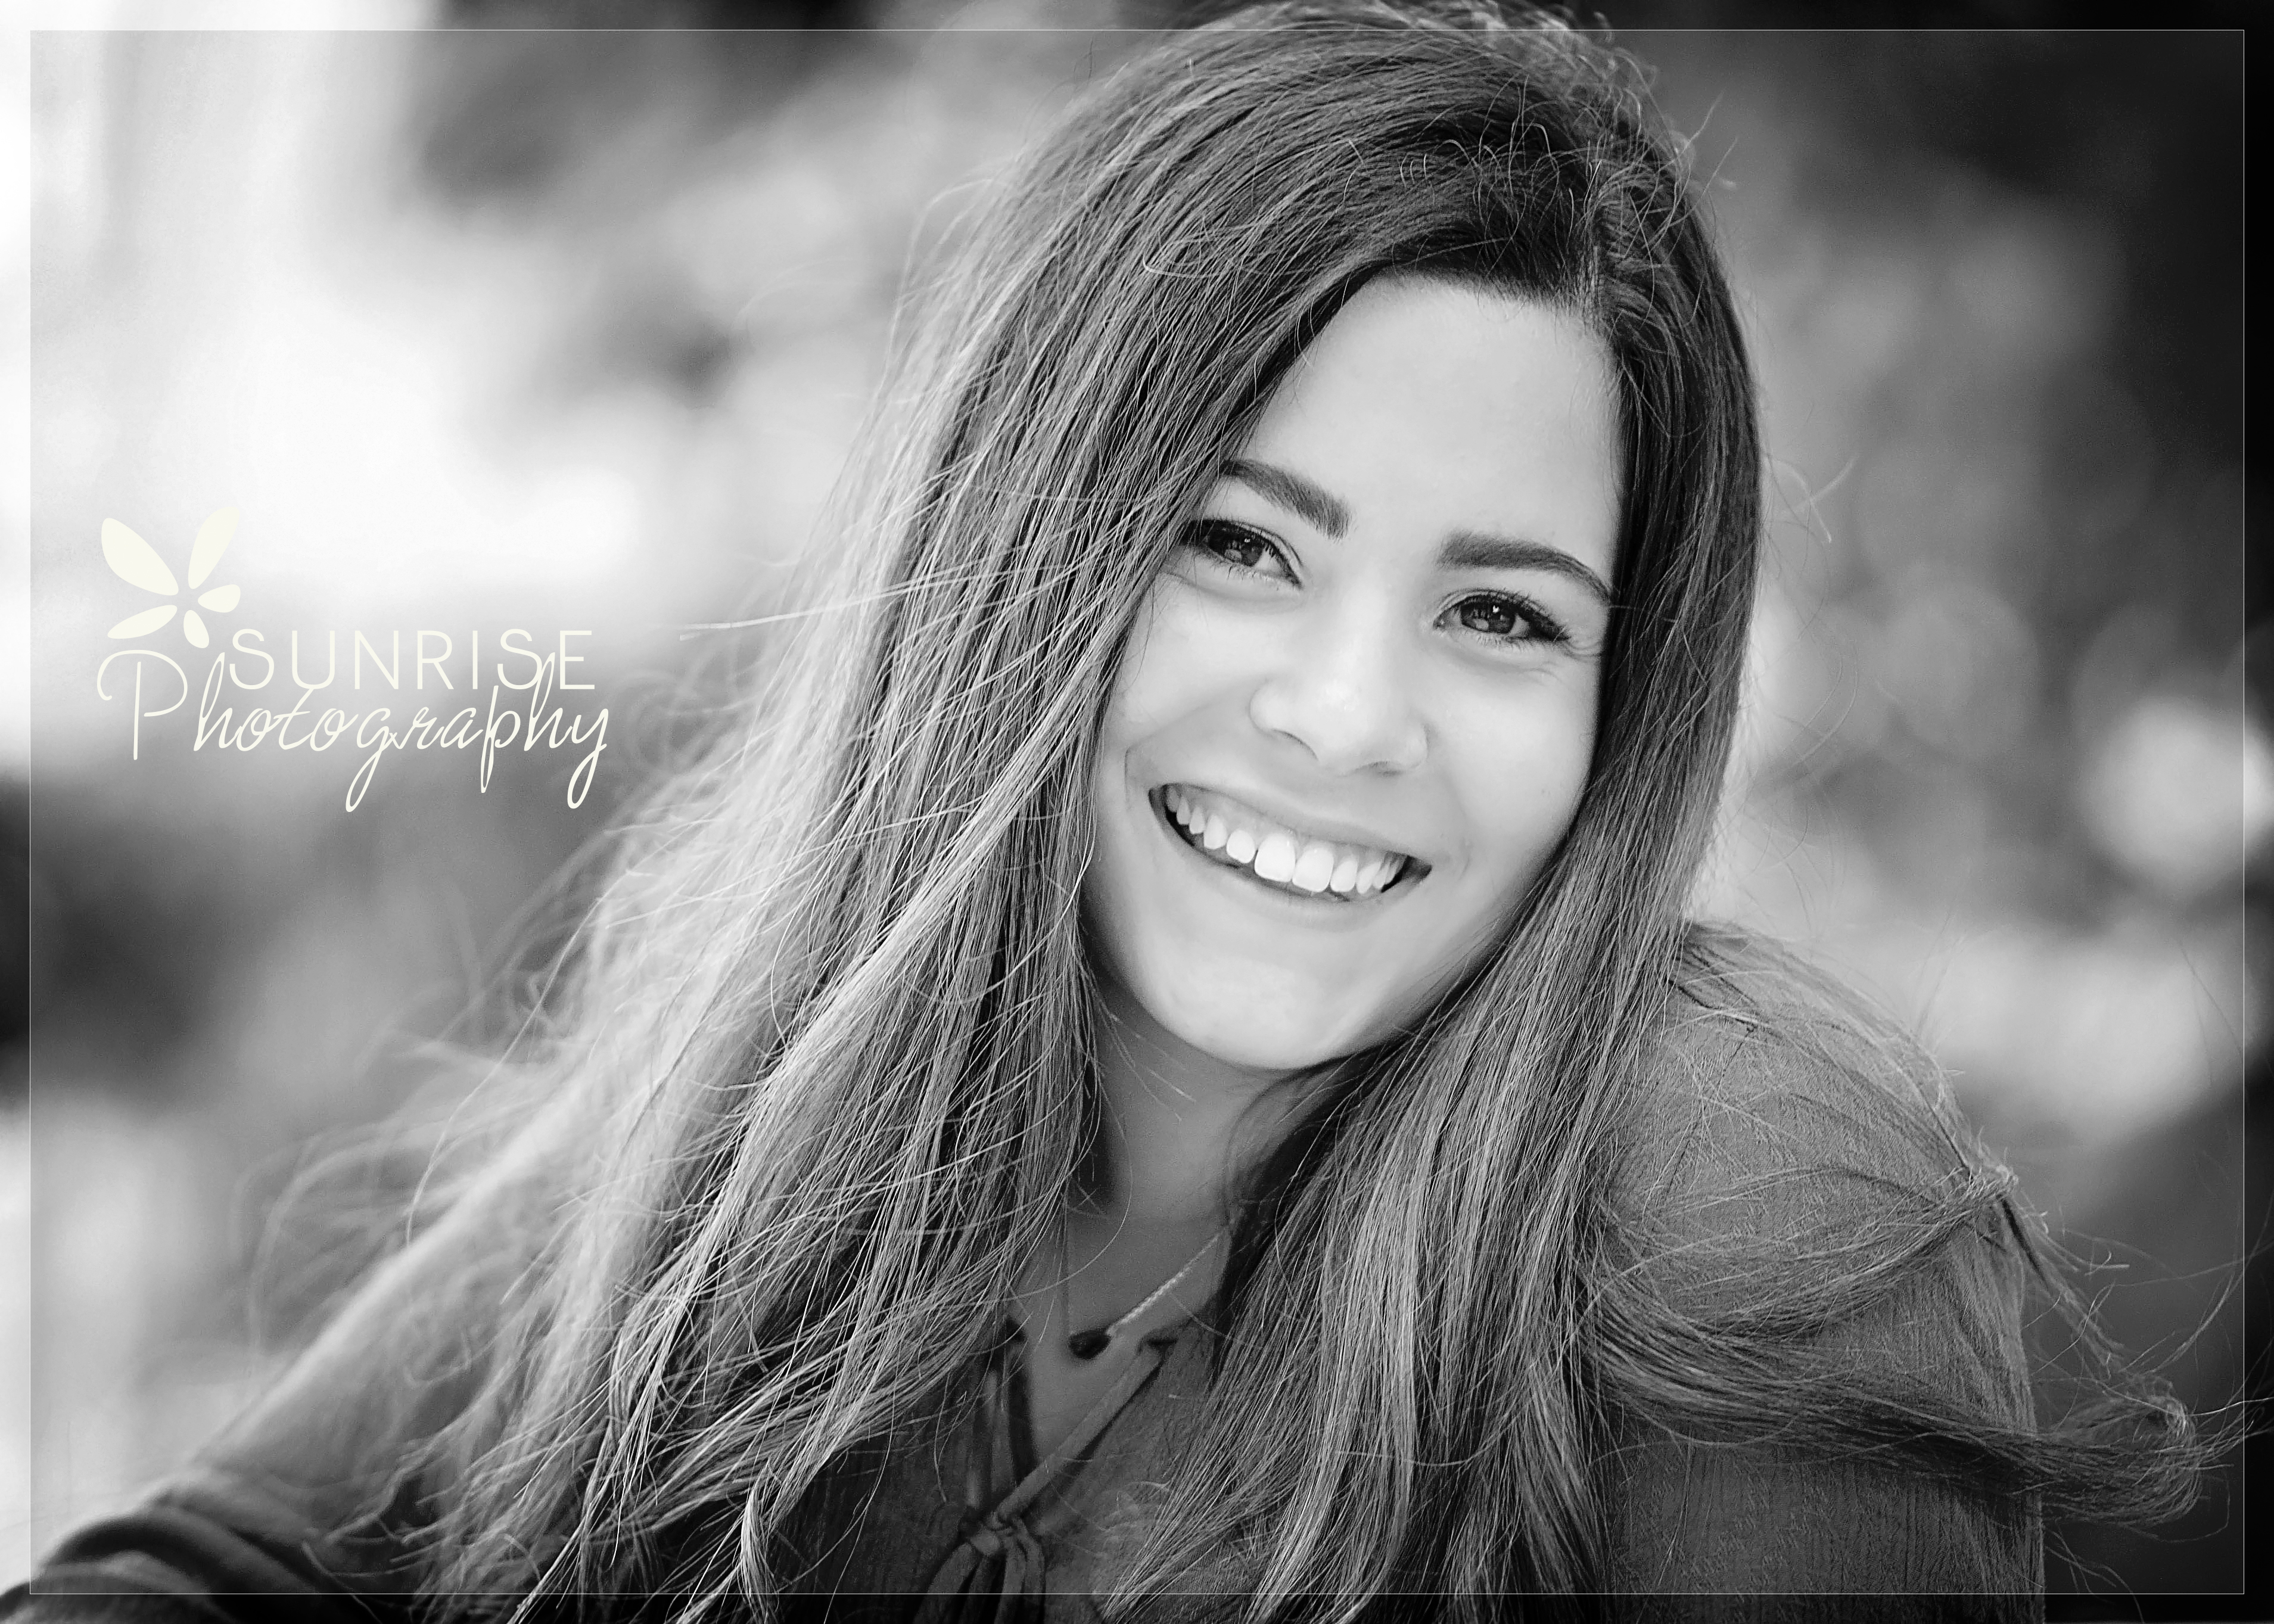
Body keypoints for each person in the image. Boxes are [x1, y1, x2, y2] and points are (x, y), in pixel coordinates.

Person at [10, 3, 2205, 1619]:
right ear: (1014, 558)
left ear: (1615, 706)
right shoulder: (790, 1093)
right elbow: (207, 1572)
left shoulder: (1750, 1181)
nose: (1345, 717)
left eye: (1501, 616)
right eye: (1237, 545)